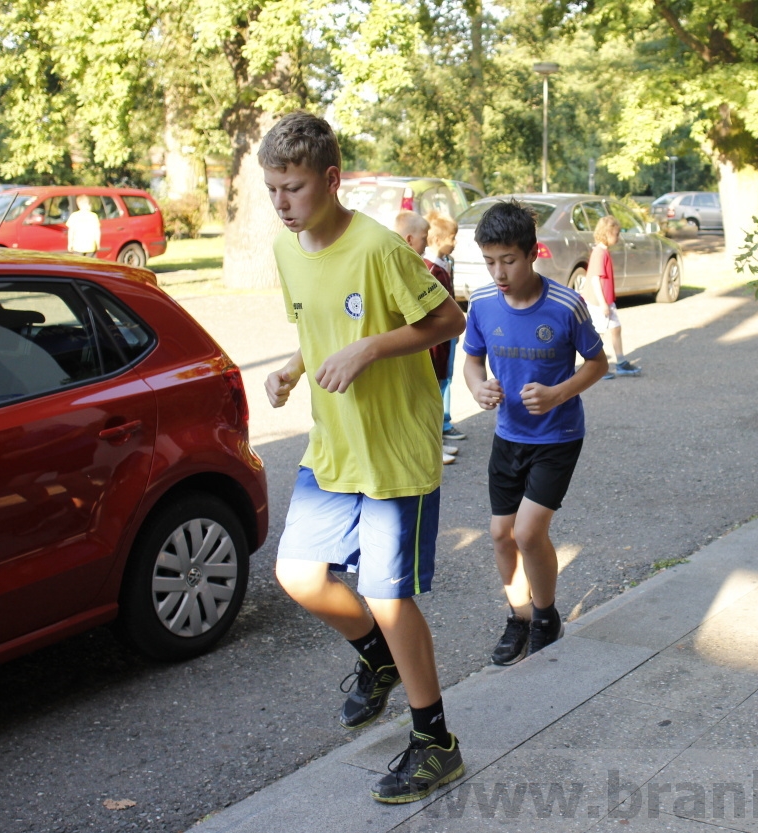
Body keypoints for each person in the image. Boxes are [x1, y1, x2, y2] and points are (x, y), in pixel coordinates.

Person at [259, 111, 467, 805]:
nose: (282, 203)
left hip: (392, 453)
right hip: (332, 445)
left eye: (292, 188)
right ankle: (376, 660)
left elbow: (449, 320)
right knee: (296, 574)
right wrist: (295, 366)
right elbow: (322, 327)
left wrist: (371, 347)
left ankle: (435, 740)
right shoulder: (288, 250)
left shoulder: (379, 248)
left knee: (387, 594)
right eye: (272, 190)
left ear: (331, 178)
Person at [462, 200, 608, 666]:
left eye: (508, 260)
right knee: (500, 534)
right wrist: (477, 388)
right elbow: (471, 359)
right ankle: (518, 615)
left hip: (558, 435)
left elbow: (598, 364)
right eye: (489, 262)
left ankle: (545, 616)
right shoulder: (483, 303)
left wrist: (557, 393)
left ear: (531, 253)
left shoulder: (567, 305)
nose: (499, 272)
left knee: (527, 532)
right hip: (509, 435)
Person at [395, 210, 459, 465]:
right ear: (410, 239)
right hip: (426, 348)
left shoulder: (423, 264)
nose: (427, 240)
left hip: (436, 345)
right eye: (424, 237)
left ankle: (434, 444)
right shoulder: (420, 267)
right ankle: (428, 448)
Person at [424, 210, 467, 442]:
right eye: (452, 237)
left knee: (446, 377)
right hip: (436, 337)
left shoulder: (446, 263)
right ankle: (437, 427)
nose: (455, 242)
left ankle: (444, 422)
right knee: (437, 378)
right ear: (439, 240)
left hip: (447, 334)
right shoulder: (430, 268)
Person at [583, 215, 641, 379]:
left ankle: (621, 361)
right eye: (616, 234)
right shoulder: (599, 253)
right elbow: (595, 279)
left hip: (607, 301)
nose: (618, 237)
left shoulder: (603, 252)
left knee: (615, 328)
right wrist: (602, 303)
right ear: (606, 233)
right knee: (598, 333)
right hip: (599, 302)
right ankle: (596, 367)